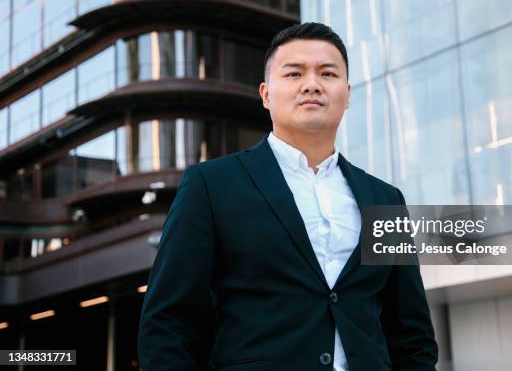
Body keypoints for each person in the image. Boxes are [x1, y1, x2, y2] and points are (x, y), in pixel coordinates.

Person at [137, 22, 438, 370]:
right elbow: (168, 322)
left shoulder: (386, 199)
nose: (312, 84)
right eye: (294, 74)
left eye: (327, 73)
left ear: (348, 93)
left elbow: (412, 333)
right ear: (266, 94)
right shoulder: (210, 185)